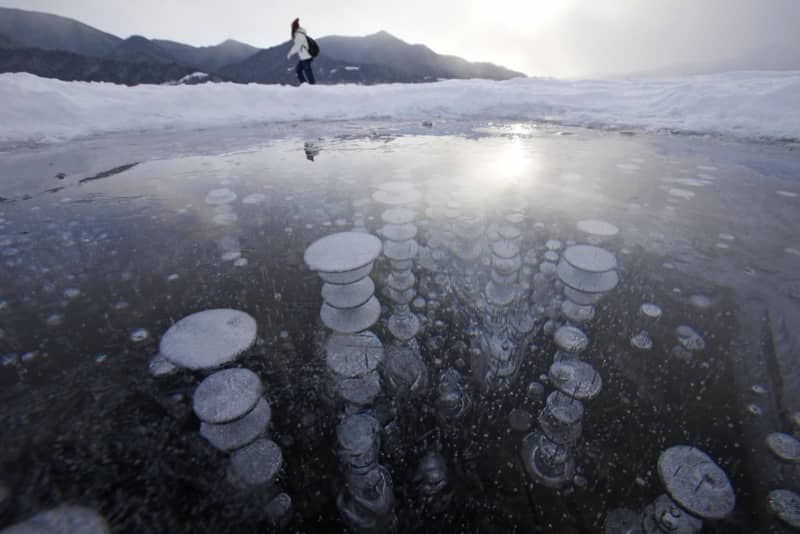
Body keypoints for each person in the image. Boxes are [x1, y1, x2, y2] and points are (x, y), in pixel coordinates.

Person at [287, 18, 316, 85]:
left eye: (292, 27)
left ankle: (312, 86)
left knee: (307, 71)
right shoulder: (300, 34)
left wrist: (290, 53)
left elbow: (297, 46)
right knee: (299, 70)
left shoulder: (299, 35)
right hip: (304, 56)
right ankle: (305, 85)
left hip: (306, 56)